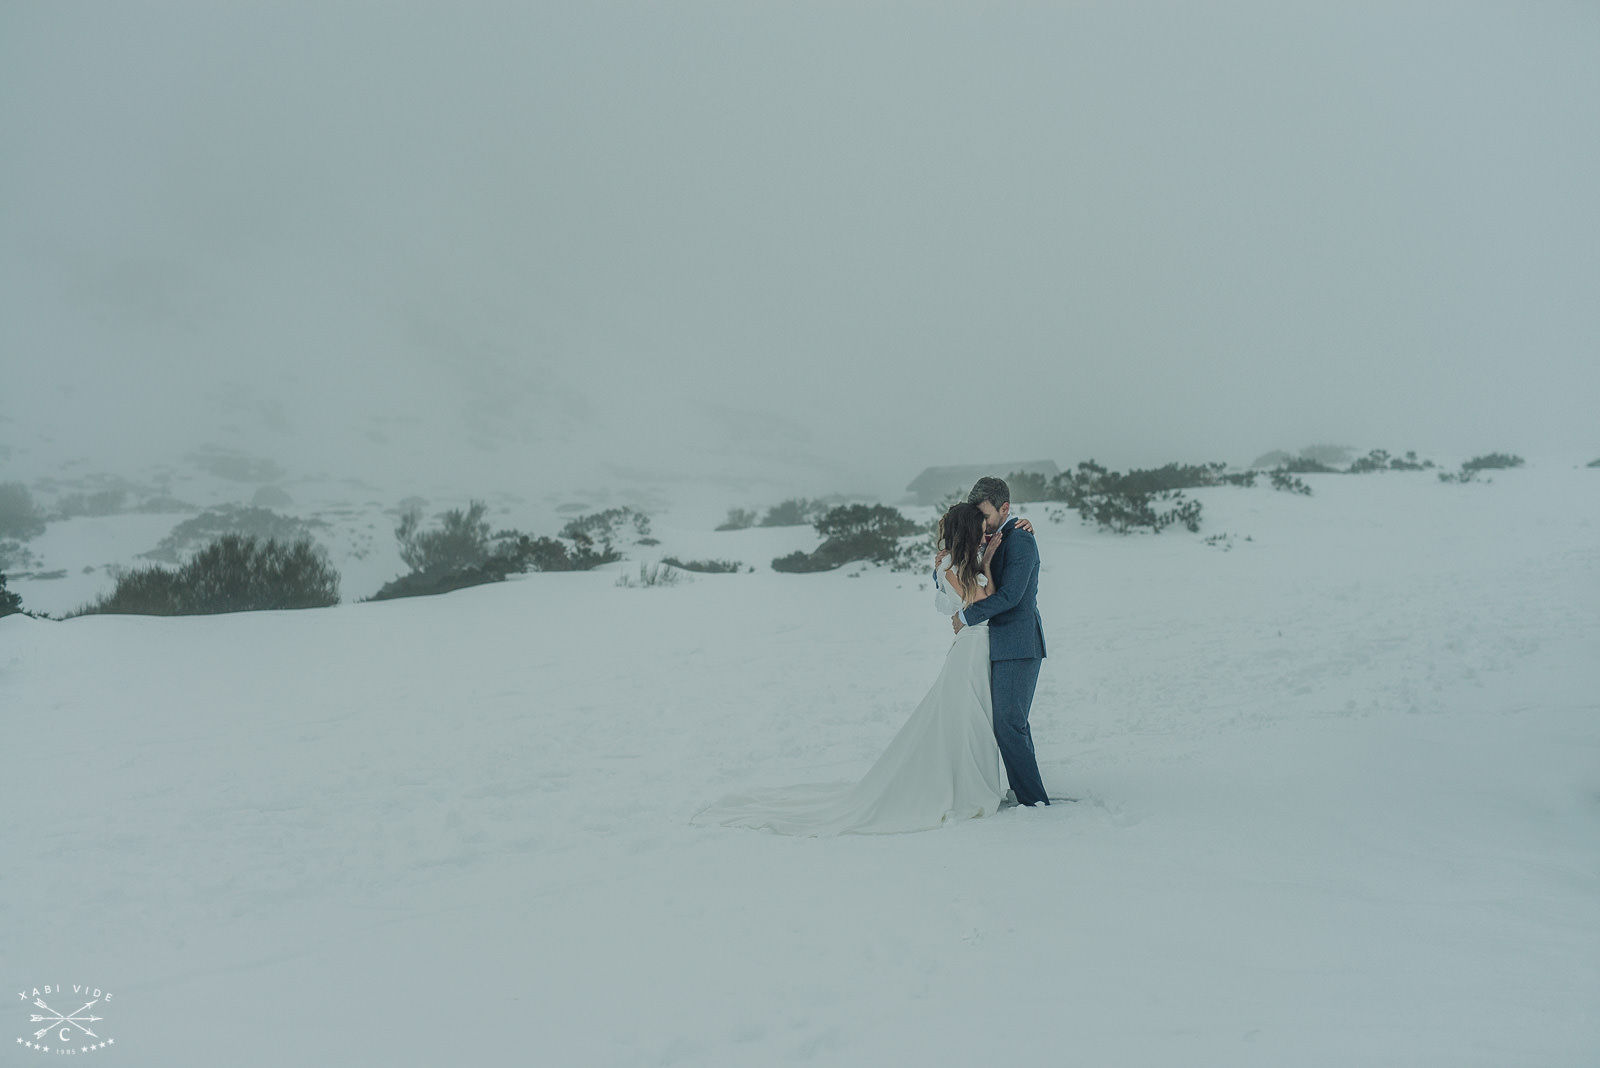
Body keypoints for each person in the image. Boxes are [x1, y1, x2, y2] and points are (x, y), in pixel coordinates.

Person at [689, 502, 1035, 835]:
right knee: (965, 718)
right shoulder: (950, 567)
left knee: (971, 718)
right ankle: (963, 785)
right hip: (970, 649)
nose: (984, 533)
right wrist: (986, 563)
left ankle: (969, 779)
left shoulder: (957, 563)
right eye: (979, 530)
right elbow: (981, 599)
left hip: (977, 647)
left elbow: (979, 596)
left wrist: (984, 561)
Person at [952, 476, 1051, 806]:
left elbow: (1011, 596)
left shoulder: (1020, 539)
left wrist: (966, 617)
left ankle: (1033, 800)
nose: (982, 521)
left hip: (1019, 643)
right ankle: (1028, 793)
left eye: (986, 514)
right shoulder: (988, 537)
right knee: (1012, 723)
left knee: (1009, 724)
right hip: (996, 644)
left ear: (1004, 508)